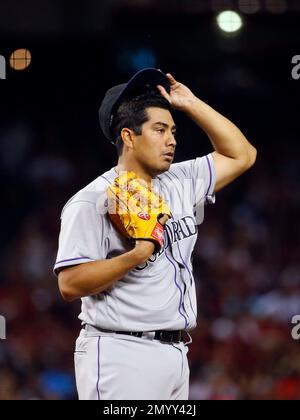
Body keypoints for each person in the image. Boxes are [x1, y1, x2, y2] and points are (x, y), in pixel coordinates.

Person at [54, 68, 257, 400]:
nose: (172, 140)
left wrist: (191, 104)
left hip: (176, 353)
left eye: (174, 130)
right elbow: (69, 284)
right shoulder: (91, 200)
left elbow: (243, 154)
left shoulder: (179, 180)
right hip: (122, 352)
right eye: (160, 130)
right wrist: (136, 255)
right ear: (129, 137)